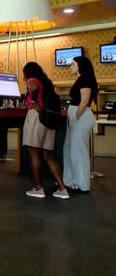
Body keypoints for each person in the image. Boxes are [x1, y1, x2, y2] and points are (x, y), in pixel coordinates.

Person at [21, 62, 69, 199]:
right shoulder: (47, 82)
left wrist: (34, 98)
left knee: (35, 156)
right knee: (48, 157)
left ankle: (38, 188)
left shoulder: (32, 80)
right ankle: (62, 189)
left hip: (37, 117)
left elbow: (33, 86)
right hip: (48, 120)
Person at [63, 56, 98, 193]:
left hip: (81, 117)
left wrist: (75, 118)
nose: (70, 67)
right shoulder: (80, 79)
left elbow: (84, 101)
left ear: (80, 66)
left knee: (78, 152)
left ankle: (83, 185)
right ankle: (71, 182)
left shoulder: (85, 79)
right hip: (77, 116)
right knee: (70, 150)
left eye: (72, 64)